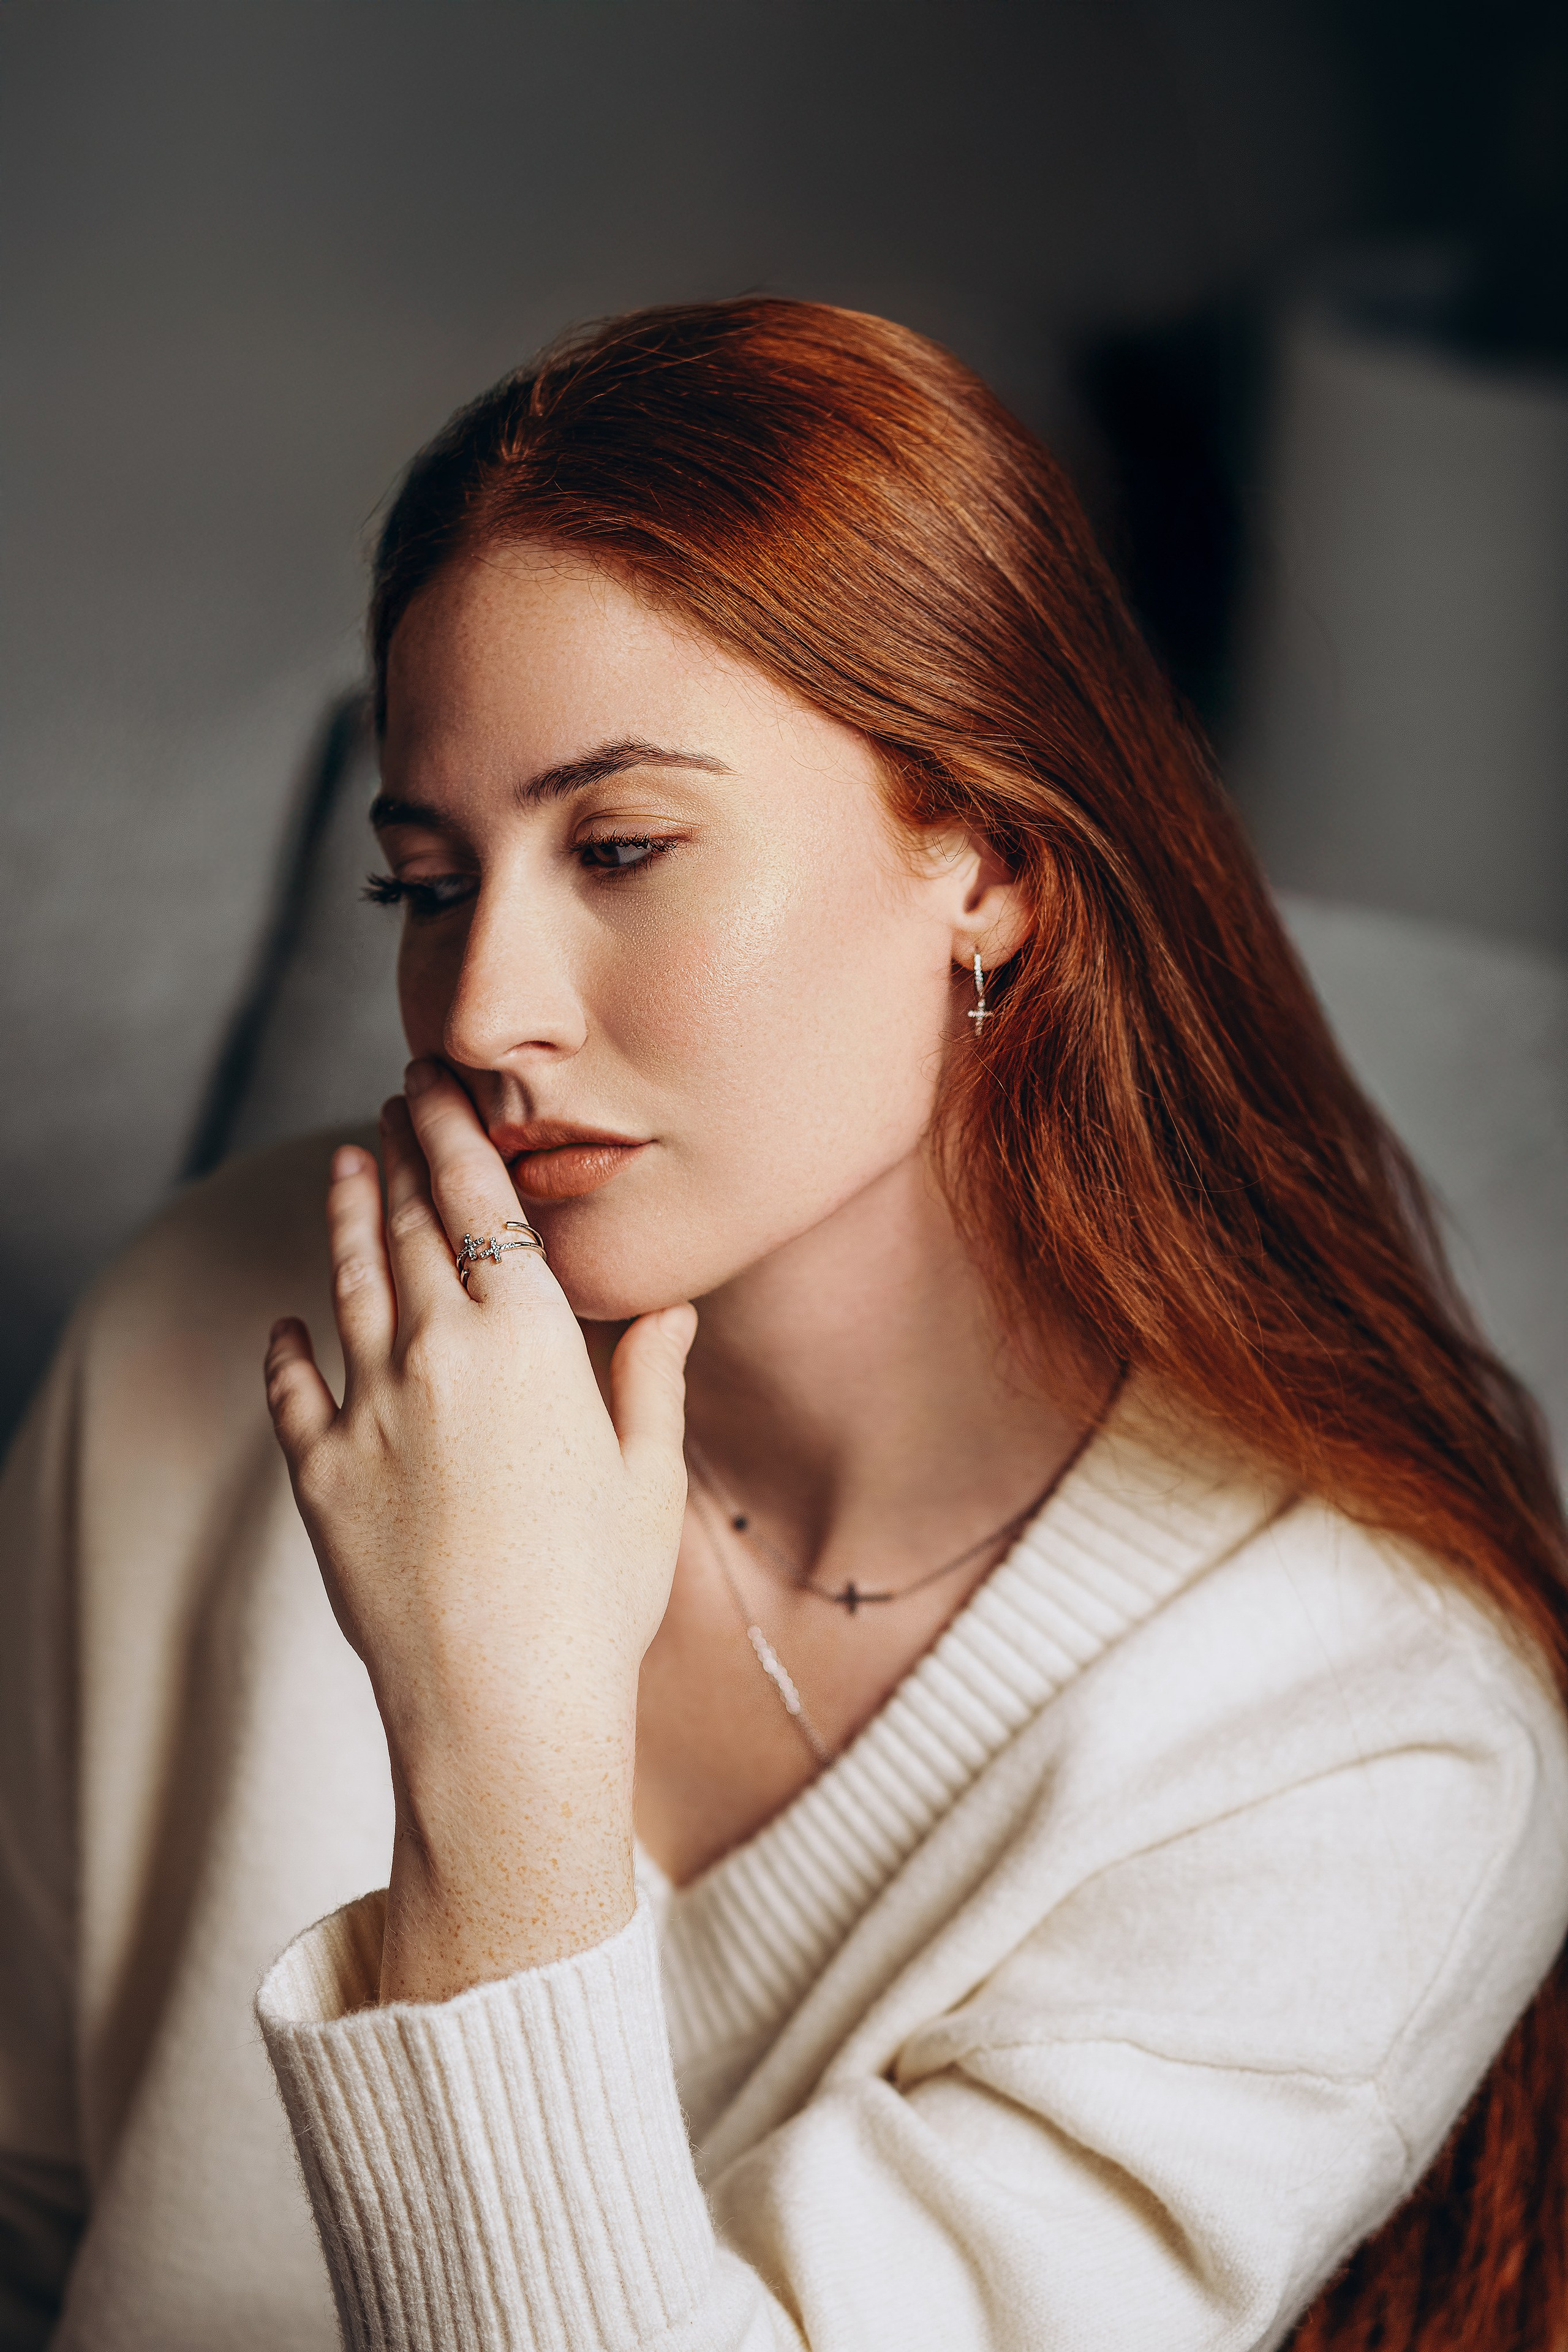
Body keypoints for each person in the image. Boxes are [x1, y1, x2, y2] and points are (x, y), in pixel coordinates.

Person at [2, 300, 1566, 2352]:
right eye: (428, 884)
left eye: (622, 848)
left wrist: (495, 1739)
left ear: (990, 860)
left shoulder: (1359, 1730)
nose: (482, 1012)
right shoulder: (211, 1332)